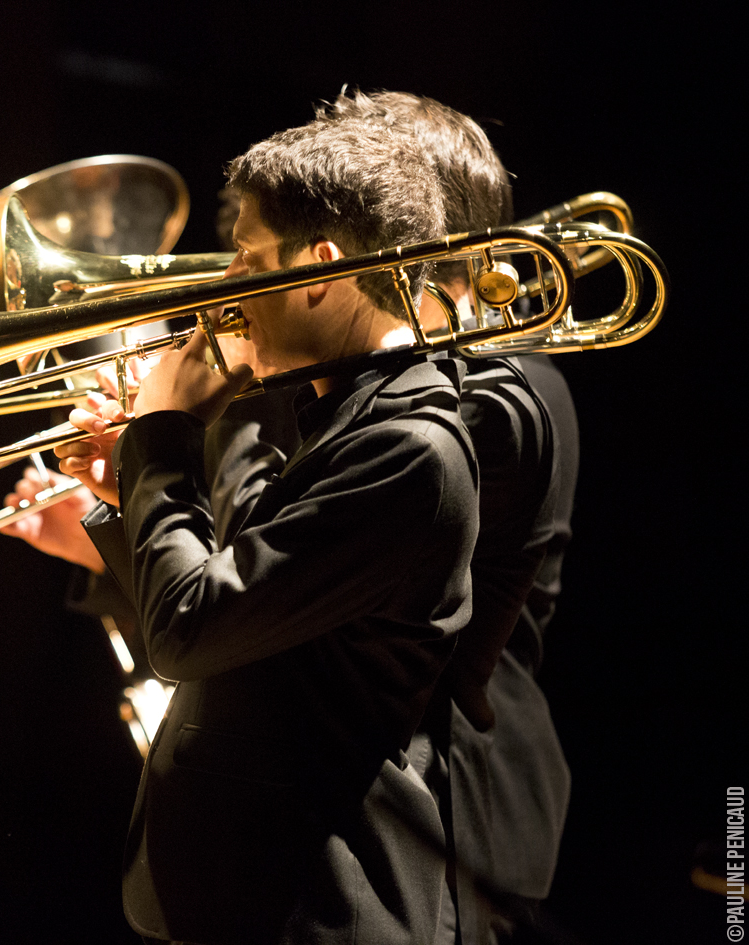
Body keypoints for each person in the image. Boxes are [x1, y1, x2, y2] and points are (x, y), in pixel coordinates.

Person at [51, 112, 478, 944]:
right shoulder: (337, 414)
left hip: (309, 909)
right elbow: (231, 614)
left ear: (320, 269)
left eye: (247, 256)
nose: (225, 281)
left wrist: (161, 440)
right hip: (246, 896)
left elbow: (188, 631)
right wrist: (123, 491)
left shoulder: (407, 447)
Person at [319, 90, 576, 945]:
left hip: (460, 818)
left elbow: (325, 589)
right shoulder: (399, 391)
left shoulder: (498, 395)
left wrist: (186, 438)